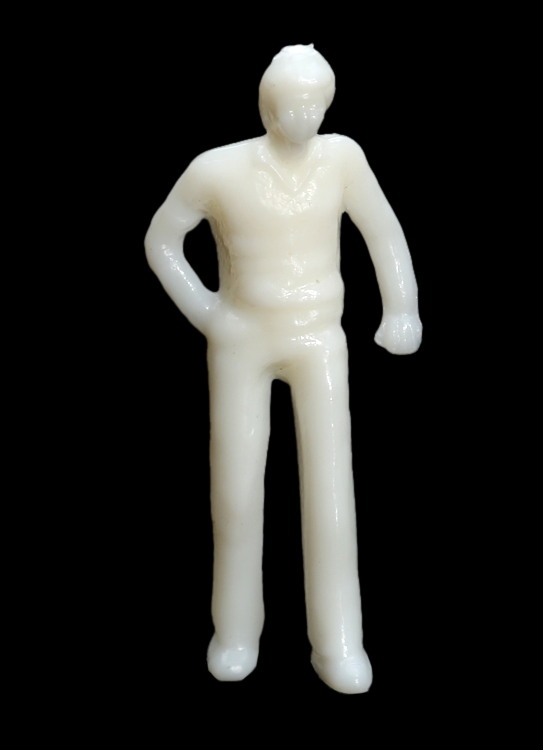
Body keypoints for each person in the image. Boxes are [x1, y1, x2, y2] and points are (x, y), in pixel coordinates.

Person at [145, 44, 421, 694]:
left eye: (314, 103)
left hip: (319, 337)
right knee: (236, 492)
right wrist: (208, 313)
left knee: (331, 492)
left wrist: (402, 308)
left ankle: (338, 641)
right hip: (242, 339)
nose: (303, 115)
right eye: (291, 102)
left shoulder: (341, 158)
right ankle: (235, 632)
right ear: (265, 103)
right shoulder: (217, 168)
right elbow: (161, 239)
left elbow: (383, 231)